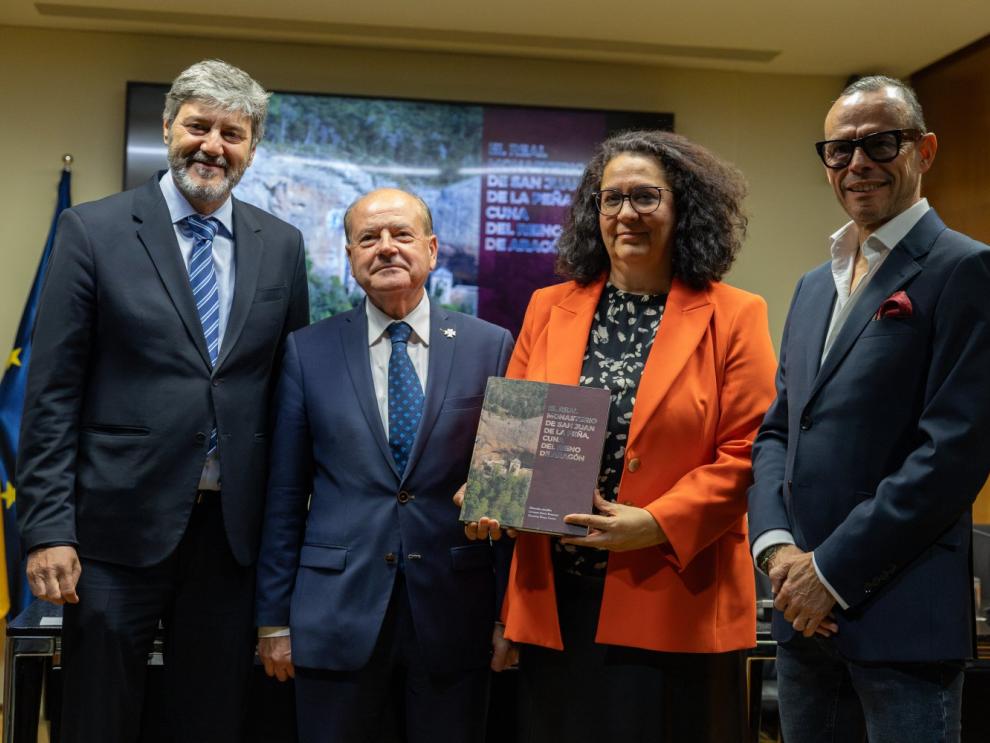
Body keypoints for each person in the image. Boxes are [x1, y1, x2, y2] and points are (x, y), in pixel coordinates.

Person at [15, 59, 309, 742]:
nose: (212, 145)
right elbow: (52, 392)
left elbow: (286, 396)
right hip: (114, 530)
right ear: (169, 126)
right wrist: (49, 529)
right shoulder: (95, 230)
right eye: (198, 126)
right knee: (99, 715)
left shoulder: (282, 245)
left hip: (230, 536)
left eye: (232, 133)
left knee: (209, 717)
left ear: (252, 147)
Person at [461, 129, 777, 742]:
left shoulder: (735, 314)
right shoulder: (548, 306)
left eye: (645, 197)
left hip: (673, 593)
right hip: (557, 599)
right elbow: (517, 436)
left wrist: (656, 522)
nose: (626, 213)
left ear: (683, 207)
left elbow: (749, 452)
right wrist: (494, 492)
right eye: (611, 199)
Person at [748, 75, 990, 743]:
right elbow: (777, 432)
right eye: (838, 150)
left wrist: (830, 570)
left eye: (880, 144)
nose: (857, 164)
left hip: (899, 623)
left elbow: (952, 454)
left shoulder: (966, 269)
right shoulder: (810, 285)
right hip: (802, 620)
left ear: (925, 149)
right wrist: (776, 552)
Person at [254, 188, 514, 743]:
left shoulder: (490, 346)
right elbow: (283, 494)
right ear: (349, 257)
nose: (386, 248)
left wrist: (507, 614)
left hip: (454, 613)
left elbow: (505, 491)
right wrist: (273, 619)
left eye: (401, 234)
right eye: (368, 238)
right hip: (334, 614)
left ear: (432, 248)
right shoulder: (308, 351)